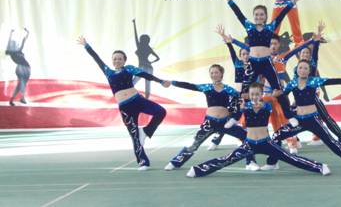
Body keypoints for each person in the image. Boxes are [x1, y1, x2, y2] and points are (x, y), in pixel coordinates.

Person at [186, 82, 330, 178]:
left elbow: (270, 103)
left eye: (257, 94)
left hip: (266, 143)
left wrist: (271, 98)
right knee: (226, 159)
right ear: (249, 95)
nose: (255, 97)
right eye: (252, 94)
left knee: (291, 158)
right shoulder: (245, 106)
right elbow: (235, 116)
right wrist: (236, 115)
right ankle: (198, 170)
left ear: (261, 95)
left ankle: (319, 167)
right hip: (249, 144)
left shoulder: (267, 105)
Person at [77, 36, 168, 171]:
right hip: (125, 108)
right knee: (134, 135)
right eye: (115, 59)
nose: (117, 60)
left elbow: (145, 75)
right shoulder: (108, 72)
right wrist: (87, 46)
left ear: (124, 60)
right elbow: (97, 58)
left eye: (120, 58)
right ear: (112, 61)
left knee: (161, 112)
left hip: (138, 101)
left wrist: (160, 81)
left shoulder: (129, 69)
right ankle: (143, 161)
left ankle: (146, 131)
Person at [220, 0, 297, 118]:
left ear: (265, 16)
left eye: (261, 14)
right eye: (256, 14)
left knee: (278, 90)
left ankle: (289, 116)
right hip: (253, 63)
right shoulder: (249, 26)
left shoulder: (270, 27)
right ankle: (236, 118)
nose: (259, 17)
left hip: (267, 63)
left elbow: (282, 15)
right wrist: (229, 0)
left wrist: (292, 2)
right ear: (253, 16)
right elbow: (238, 14)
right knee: (245, 92)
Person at [164, 64, 257, 170]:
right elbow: (190, 85)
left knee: (247, 137)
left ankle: (250, 162)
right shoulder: (206, 87)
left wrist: (248, 99)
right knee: (195, 143)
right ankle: (175, 163)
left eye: (216, 72)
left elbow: (241, 99)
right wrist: (173, 82)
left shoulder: (229, 89)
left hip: (224, 123)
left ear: (221, 74)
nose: (214, 74)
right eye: (212, 73)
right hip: (209, 123)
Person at [270, 60, 341, 170]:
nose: (302, 70)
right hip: (298, 121)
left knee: (330, 141)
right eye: (300, 67)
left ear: (309, 71)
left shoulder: (314, 81)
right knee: (276, 136)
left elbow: (332, 81)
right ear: (296, 70)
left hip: (313, 120)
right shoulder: (292, 83)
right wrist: (277, 96)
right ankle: (272, 162)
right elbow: (283, 97)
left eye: (305, 68)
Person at [132, 19, 161, 99]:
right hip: (149, 67)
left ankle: (126, 95)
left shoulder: (139, 46)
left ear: (141, 40)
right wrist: (151, 62)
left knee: (132, 83)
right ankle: (146, 100)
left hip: (142, 67)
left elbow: (135, 36)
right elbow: (158, 58)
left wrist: (134, 24)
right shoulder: (149, 48)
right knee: (148, 84)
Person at [5, 28, 32, 106]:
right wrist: (11, 33)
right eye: (13, 43)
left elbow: (23, 41)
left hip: (25, 68)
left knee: (20, 85)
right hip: (22, 68)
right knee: (22, 83)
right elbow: (9, 43)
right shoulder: (12, 51)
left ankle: (12, 99)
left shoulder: (17, 50)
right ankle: (22, 98)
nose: (15, 44)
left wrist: (27, 33)